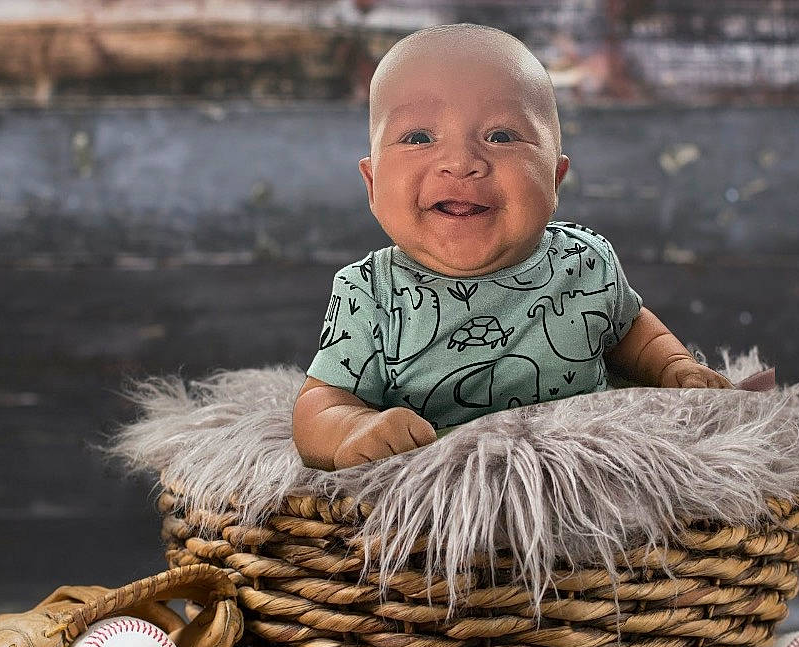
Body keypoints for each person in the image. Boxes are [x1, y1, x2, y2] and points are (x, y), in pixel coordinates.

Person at [293, 23, 732, 471]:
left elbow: (631, 329)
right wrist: (352, 431)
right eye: (419, 137)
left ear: (555, 180)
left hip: (584, 482)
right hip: (445, 503)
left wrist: (673, 366)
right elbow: (321, 403)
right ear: (372, 184)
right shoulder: (370, 292)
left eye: (500, 136)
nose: (461, 164)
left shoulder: (584, 262)